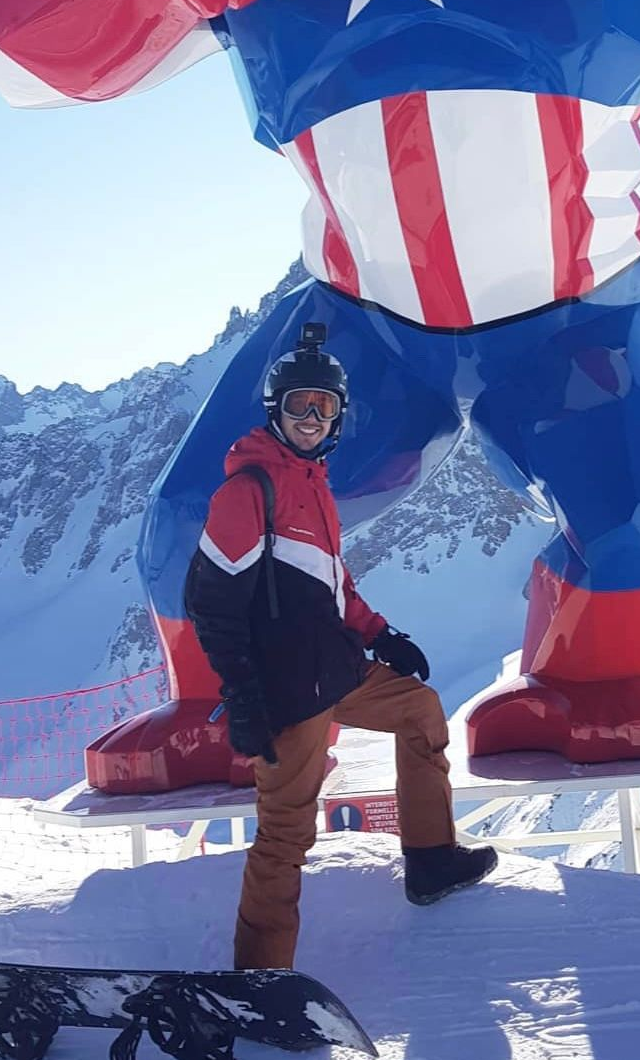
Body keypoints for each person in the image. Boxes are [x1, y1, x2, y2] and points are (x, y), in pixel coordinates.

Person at [185, 323, 498, 971]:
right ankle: (261, 978)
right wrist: (243, 695)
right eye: (299, 404)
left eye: (322, 407)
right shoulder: (249, 492)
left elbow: (332, 582)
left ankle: (431, 860)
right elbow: (212, 603)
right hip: (288, 689)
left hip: (337, 667)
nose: (310, 418)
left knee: (420, 711)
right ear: (275, 410)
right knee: (286, 834)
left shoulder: (312, 483)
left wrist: (379, 634)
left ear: (337, 416)